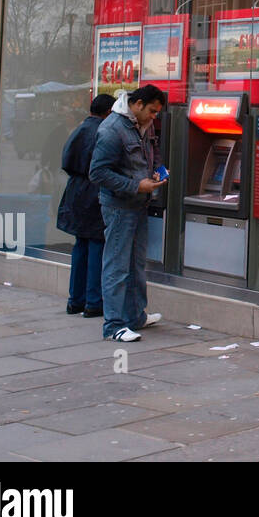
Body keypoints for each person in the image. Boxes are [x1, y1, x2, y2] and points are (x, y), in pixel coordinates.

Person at [89, 84, 168, 342]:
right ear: (138, 104)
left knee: (136, 264)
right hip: (119, 206)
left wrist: (156, 171)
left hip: (139, 203)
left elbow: (152, 153)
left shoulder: (143, 124)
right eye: (152, 112)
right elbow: (98, 173)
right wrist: (136, 185)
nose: (154, 117)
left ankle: (135, 316)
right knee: (117, 265)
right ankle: (113, 325)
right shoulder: (112, 129)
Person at [56, 94, 115, 317]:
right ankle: (93, 302)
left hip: (76, 191)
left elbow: (67, 161)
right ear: (109, 112)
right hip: (94, 193)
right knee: (97, 245)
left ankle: (75, 300)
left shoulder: (80, 129)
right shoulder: (103, 131)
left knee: (80, 245)